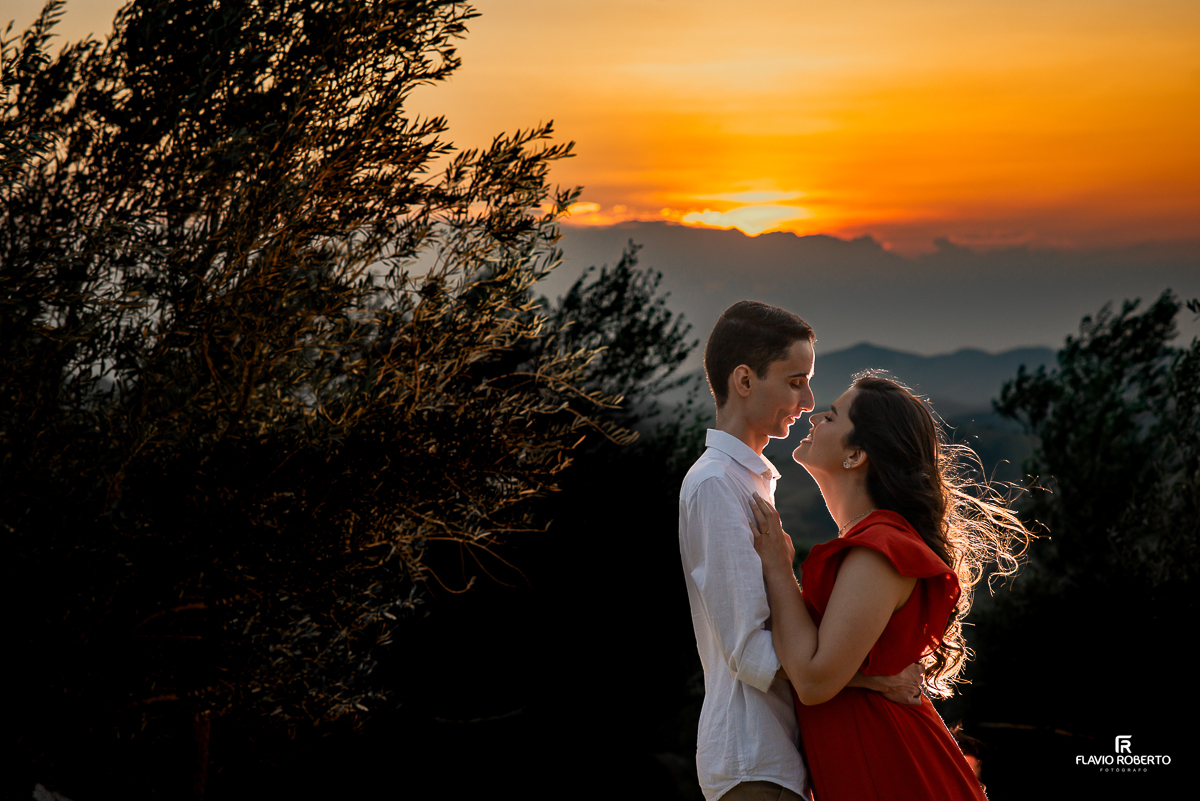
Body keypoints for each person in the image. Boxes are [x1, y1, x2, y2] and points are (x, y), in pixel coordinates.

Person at [679, 303, 923, 801]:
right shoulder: (715, 486)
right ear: (744, 381)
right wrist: (870, 681)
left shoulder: (750, 482)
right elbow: (747, 651)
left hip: (779, 758)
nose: (809, 400)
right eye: (795, 381)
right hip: (750, 759)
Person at [749, 372, 1031, 800]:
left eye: (832, 416)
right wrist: (872, 680)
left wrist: (777, 568)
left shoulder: (879, 550)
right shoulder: (871, 544)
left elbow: (813, 680)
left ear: (856, 454)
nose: (814, 417)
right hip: (873, 758)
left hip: (892, 766)